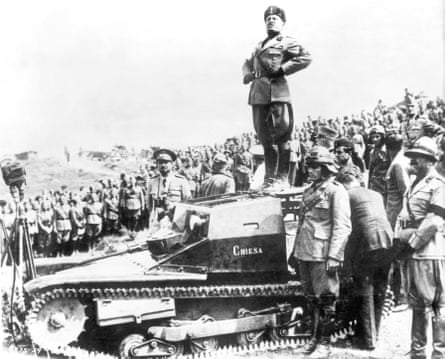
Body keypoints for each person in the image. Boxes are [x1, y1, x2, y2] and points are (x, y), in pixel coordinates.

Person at [290, 146, 351, 355]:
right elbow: (302, 223)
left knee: (326, 299)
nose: (310, 170)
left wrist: (335, 255)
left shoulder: (336, 191)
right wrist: (294, 251)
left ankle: (325, 343)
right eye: (309, 166)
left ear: (325, 168)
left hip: (323, 253)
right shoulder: (309, 190)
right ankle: (313, 338)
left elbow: (342, 226)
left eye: (315, 167)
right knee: (311, 299)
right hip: (305, 251)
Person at [242, 5, 312, 189]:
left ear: (283, 23)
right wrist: (247, 75)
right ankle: (269, 178)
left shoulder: (287, 41)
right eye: (268, 18)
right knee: (265, 138)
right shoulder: (258, 45)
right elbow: (247, 63)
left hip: (277, 94)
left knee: (281, 136)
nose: (270, 20)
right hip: (258, 95)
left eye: (275, 18)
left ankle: (282, 178)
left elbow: (306, 57)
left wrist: (283, 69)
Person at [396, 137, 445, 358]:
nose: (412, 162)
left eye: (417, 158)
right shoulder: (414, 184)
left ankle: (438, 352)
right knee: (417, 304)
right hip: (413, 253)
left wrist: (412, 243)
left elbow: (434, 221)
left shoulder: (438, 185)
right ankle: (418, 352)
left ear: (430, 161)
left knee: (435, 305)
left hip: (428, 252)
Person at [337, 168, 393, 350]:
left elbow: (347, 229)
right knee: (380, 289)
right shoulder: (376, 194)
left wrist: (345, 263)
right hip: (388, 242)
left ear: (342, 184)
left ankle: (367, 340)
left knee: (365, 290)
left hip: (367, 244)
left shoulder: (346, 196)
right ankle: (373, 332)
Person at [384, 133, 411, 311]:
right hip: (395, 213)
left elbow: (405, 191)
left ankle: (400, 296)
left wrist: (403, 215)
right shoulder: (403, 159)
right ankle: (399, 294)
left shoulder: (398, 164)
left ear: (388, 148)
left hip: (396, 215)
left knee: (396, 255)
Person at [147, 149, 191, 231]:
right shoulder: (152, 181)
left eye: (166, 162)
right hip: (157, 222)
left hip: (175, 221)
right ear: (157, 164)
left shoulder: (181, 181)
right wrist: (154, 216)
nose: (163, 165)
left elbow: (187, 203)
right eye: (160, 162)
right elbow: (149, 204)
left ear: (172, 164)